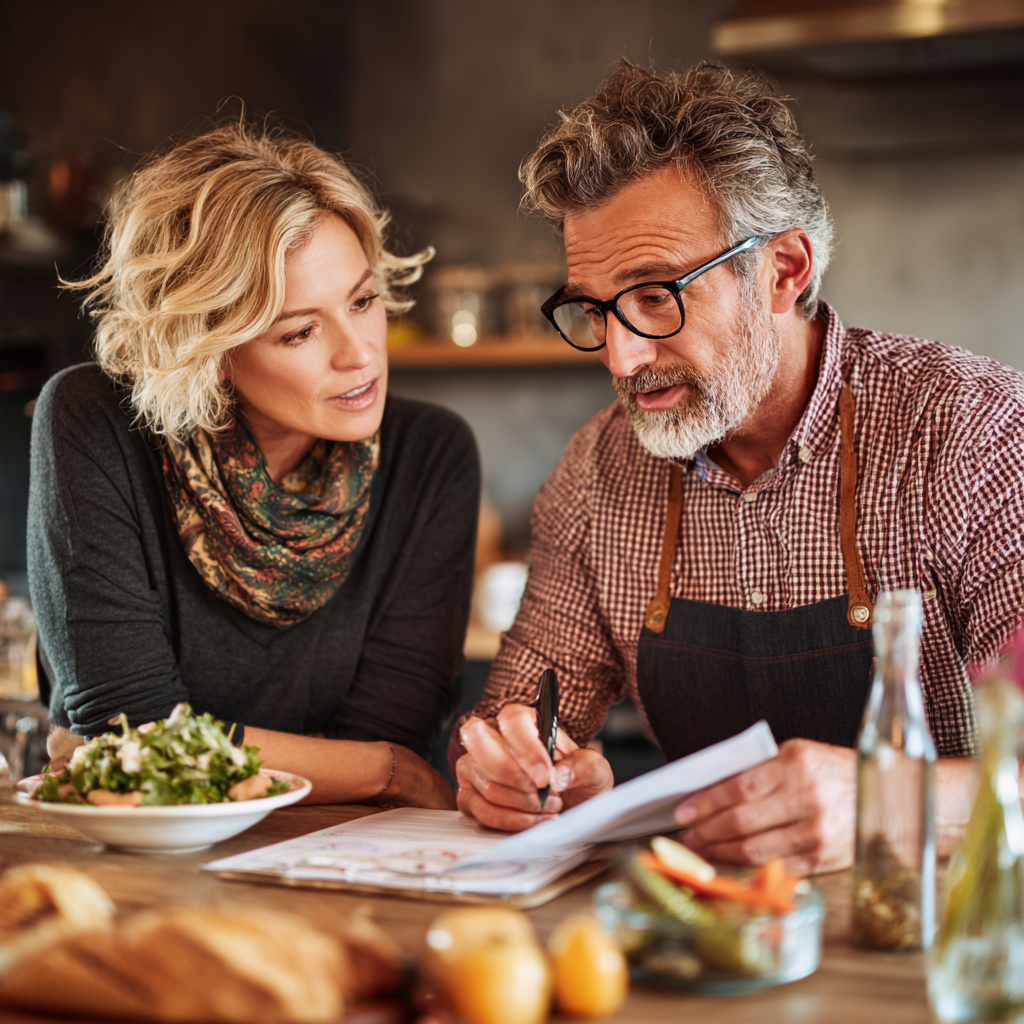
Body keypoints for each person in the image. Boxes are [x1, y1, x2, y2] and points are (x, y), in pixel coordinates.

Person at [453, 61, 1024, 871]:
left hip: (933, 926)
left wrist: (888, 800)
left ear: (784, 270)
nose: (620, 356)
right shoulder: (597, 472)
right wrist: (516, 774)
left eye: (657, 296)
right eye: (594, 308)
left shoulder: (972, 432)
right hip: (712, 930)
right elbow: (513, 716)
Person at [29, 122, 480, 808]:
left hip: (342, 849)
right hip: (146, 853)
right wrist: (387, 770)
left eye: (362, 301)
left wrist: (378, 760)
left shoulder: (431, 454)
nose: (360, 353)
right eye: (300, 331)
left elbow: (392, 730)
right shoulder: (93, 420)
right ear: (209, 349)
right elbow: (131, 731)